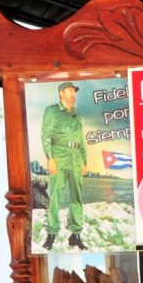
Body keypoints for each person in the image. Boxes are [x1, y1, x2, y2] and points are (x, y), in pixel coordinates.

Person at [42, 81, 89, 251]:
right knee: (55, 196)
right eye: (70, 91)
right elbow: (45, 135)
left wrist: (84, 162)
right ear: (61, 93)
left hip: (76, 160)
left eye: (74, 91)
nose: (73, 94)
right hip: (59, 159)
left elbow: (81, 140)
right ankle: (51, 234)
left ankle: (75, 235)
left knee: (77, 199)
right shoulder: (52, 111)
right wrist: (49, 158)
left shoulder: (77, 115)